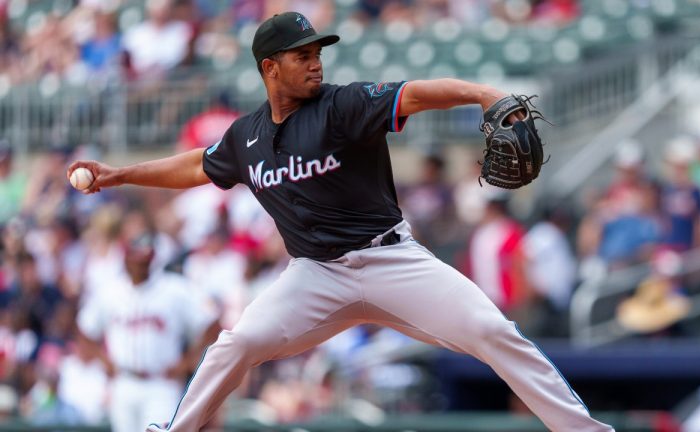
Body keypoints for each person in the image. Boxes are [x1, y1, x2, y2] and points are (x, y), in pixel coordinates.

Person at [67, 12, 613, 432]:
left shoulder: (344, 105)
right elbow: (195, 166)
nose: (315, 62)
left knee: (494, 332)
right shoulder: (247, 136)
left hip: (391, 259)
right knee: (236, 344)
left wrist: (482, 94)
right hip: (316, 276)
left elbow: (416, 94)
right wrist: (121, 175)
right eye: (300, 55)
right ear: (269, 67)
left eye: (316, 52)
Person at [76, 232, 220, 432]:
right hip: (124, 382)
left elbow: (212, 325)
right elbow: (85, 329)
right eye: (135, 258)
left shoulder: (173, 288)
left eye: (144, 258)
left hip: (161, 383)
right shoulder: (111, 291)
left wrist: (188, 361)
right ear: (126, 259)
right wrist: (104, 360)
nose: (139, 264)